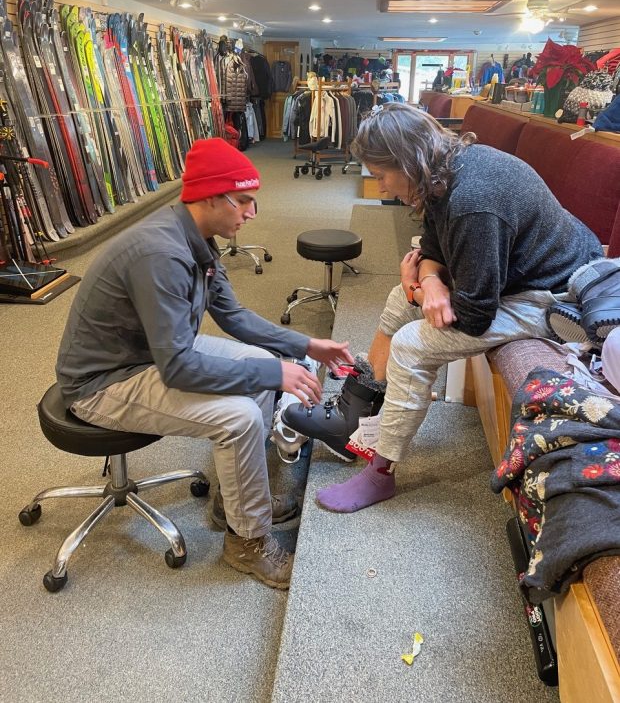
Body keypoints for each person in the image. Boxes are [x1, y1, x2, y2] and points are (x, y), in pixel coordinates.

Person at [56, 138, 353, 588]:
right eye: (243, 201)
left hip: (153, 354)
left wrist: (306, 345)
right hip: (104, 381)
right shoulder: (162, 255)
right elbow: (178, 368)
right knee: (239, 416)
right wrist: (276, 372)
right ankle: (247, 541)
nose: (252, 213)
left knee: (260, 363)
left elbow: (233, 316)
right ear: (211, 197)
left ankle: (236, 505)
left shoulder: (197, 240)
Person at [282, 102, 603, 513]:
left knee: (411, 345)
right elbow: (431, 248)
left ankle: (380, 473)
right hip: (517, 275)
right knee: (398, 299)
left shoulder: (473, 199)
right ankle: (354, 414)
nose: (382, 188)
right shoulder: (443, 171)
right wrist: (429, 282)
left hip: (557, 297)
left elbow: (474, 315)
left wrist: (418, 290)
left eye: (381, 176)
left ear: (407, 161)